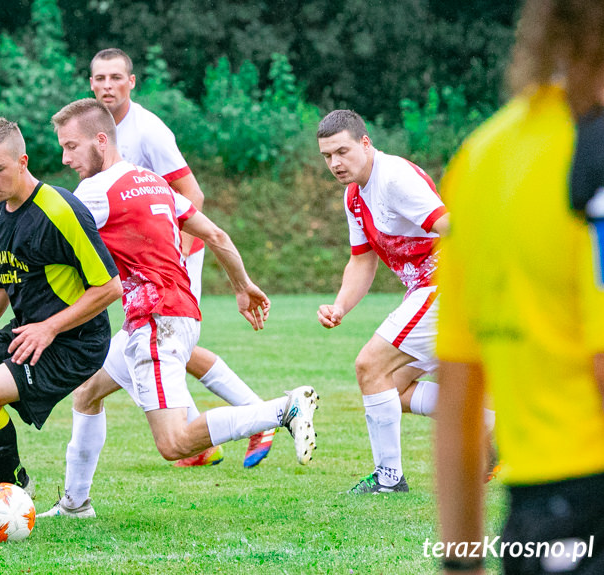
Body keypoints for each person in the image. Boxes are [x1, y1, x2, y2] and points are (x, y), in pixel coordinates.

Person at [36, 98, 317, 518]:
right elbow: (217, 235)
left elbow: (39, 233)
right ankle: (76, 504)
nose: (65, 157)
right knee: (89, 392)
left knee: (175, 443)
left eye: (71, 146)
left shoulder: (94, 192)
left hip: (155, 322)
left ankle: (282, 409)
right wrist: (243, 286)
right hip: (176, 314)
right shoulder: (151, 182)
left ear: (100, 140)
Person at [435, 1, 604, 573]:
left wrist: (460, 559)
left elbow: (458, 390)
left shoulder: (482, 156)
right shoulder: (594, 152)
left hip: (534, 519)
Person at [89, 48, 276, 468]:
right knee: (173, 350)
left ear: (131, 82)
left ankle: (243, 420)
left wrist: (176, 253)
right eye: (99, 78)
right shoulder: (94, 131)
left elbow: (193, 195)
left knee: (153, 345)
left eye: (115, 77)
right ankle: (238, 421)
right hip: (139, 265)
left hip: (172, 260)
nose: (107, 86)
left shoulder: (148, 130)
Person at [0, 117, 123, 531]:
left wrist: (50, 328)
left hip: (76, 339)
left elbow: (110, 288)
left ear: (23, 161)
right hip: (30, 329)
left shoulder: (60, 209)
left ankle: (13, 495)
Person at [316, 110, 470, 494]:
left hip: (445, 284)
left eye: (342, 151)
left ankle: (389, 479)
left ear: (365, 143)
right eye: (327, 156)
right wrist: (339, 307)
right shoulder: (354, 195)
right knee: (390, 389)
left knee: (370, 366)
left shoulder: (395, 178)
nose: (335, 163)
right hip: (430, 290)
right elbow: (361, 260)